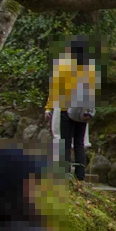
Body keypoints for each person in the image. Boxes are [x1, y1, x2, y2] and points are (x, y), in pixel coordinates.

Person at [45, 38, 97, 181]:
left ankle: (65, 174)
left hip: (65, 109)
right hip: (82, 112)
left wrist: (48, 108)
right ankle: (80, 176)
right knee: (79, 144)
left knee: (65, 143)